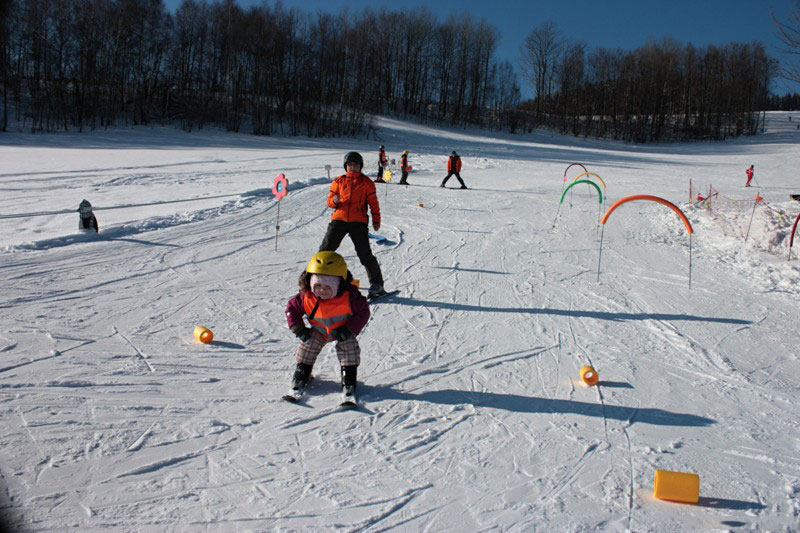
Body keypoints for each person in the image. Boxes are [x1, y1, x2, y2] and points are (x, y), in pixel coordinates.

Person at [285, 251, 370, 403]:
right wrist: (298, 328)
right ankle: (302, 373)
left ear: (339, 285)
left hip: (341, 330)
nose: (322, 290)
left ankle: (348, 378)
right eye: (317, 286)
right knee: (308, 345)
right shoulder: (306, 297)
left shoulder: (350, 297)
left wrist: (349, 329)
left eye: (328, 286)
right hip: (319, 330)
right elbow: (291, 309)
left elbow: (364, 311)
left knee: (349, 348)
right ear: (310, 283)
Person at [320, 151, 386, 299]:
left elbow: (374, 204)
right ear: (346, 167)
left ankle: (377, 285)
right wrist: (334, 201)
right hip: (339, 220)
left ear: (360, 166)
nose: (353, 168)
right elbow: (329, 201)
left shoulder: (366, 182)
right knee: (324, 251)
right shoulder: (338, 181)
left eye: (355, 165)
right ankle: (314, 281)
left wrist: (376, 220)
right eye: (350, 165)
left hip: (358, 222)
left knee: (365, 255)